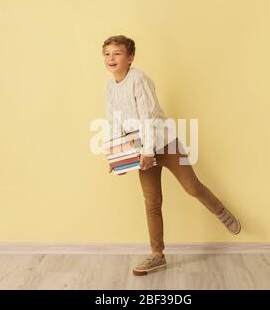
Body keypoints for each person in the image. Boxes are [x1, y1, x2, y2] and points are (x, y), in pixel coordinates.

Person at [102, 35, 241, 276]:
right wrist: (117, 156)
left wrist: (148, 151)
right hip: (139, 149)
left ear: (130, 58)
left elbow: (147, 117)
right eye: (107, 54)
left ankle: (220, 211)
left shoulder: (139, 79)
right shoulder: (108, 88)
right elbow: (114, 122)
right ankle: (157, 255)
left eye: (117, 53)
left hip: (165, 143)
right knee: (152, 202)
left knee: (193, 187)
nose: (111, 58)